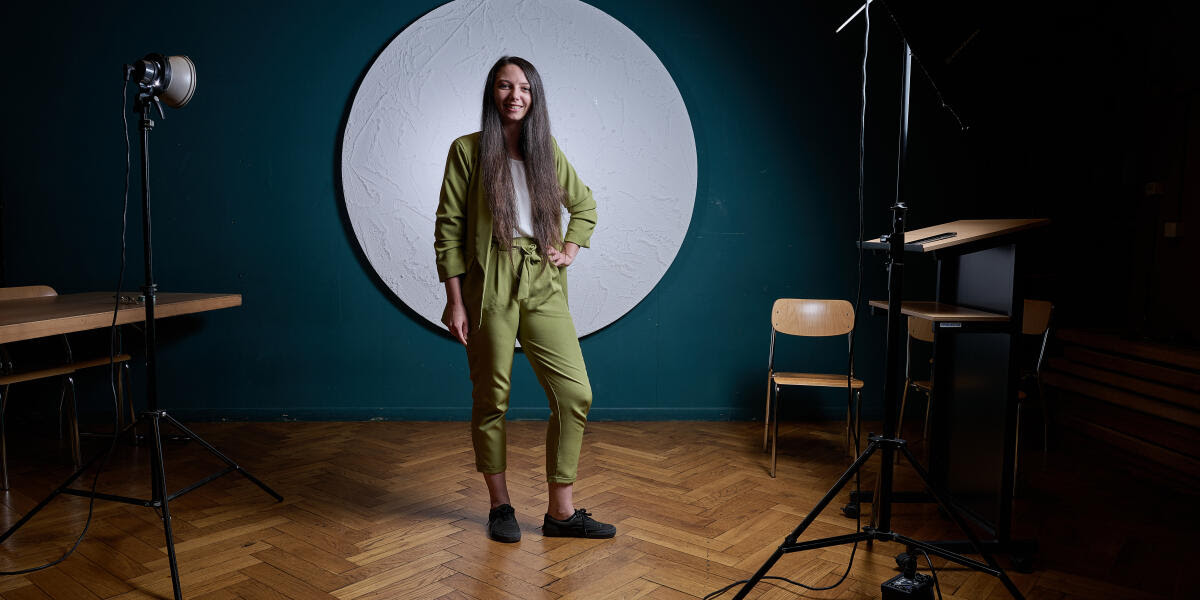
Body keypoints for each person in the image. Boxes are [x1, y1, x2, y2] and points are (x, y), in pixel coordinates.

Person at [434, 56, 615, 543]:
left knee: (575, 394)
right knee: (492, 399)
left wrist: (569, 250)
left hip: (541, 278)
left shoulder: (545, 150)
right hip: (488, 280)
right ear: (491, 94)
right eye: (504, 86)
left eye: (524, 88)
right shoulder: (467, 151)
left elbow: (585, 205)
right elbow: (448, 230)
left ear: (534, 97)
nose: (515, 95)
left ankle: (561, 513)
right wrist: (456, 302)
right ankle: (500, 506)